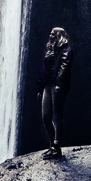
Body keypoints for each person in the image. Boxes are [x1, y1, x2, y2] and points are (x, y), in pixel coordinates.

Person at [36, 26, 73, 160]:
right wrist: (40, 88)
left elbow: (64, 67)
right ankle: (52, 145)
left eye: (52, 34)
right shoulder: (49, 49)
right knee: (45, 117)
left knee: (57, 117)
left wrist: (59, 84)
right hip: (47, 85)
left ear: (58, 35)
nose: (50, 35)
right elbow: (43, 69)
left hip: (57, 86)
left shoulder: (65, 49)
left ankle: (57, 148)